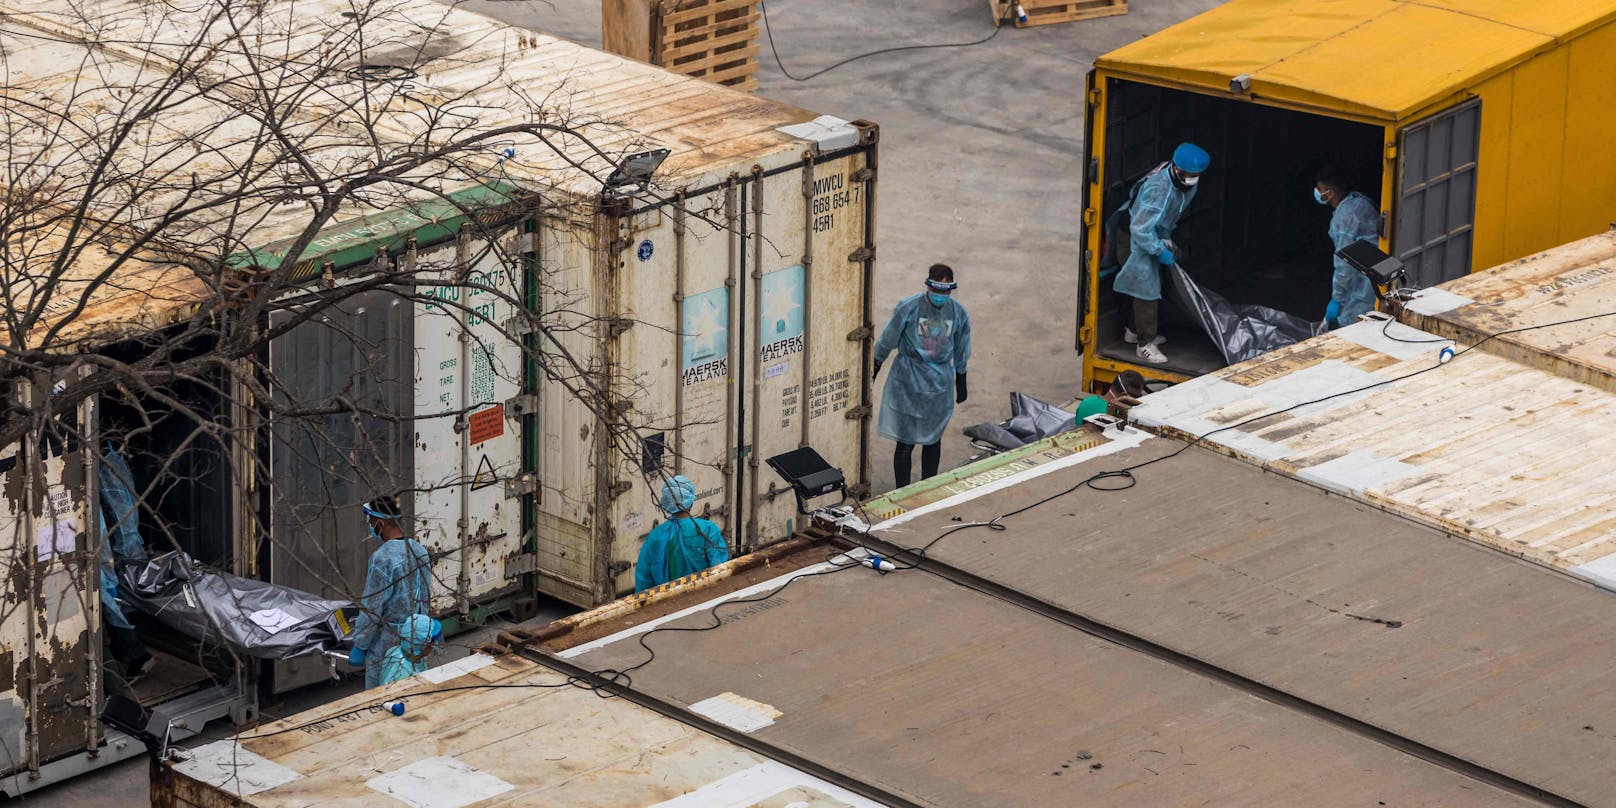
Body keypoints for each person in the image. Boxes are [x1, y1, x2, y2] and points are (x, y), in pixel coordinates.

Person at [873, 264, 973, 488]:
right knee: (905, 441)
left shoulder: (958, 314)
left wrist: (961, 377)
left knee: (933, 438)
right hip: (907, 380)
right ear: (928, 286)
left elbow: (962, 347)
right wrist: (876, 363)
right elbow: (888, 337)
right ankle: (902, 489)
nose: (940, 296)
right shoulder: (909, 307)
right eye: (937, 291)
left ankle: (928, 486)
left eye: (945, 291)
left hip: (938, 384)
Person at [1113, 143, 1210, 365]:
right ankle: (1145, 345)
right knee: (1146, 288)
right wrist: (1158, 248)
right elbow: (1140, 228)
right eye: (1191, 174)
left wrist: (1165, 238)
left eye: (1197, 175)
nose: (1194, 179)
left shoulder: (1185, 185)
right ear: (1178, 169)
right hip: (1135, 235)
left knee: (1146, 285)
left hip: (1153, 231)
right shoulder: (1158, 188)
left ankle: (1134, 331)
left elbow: (1170, 214)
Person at [347, 495, 431, 689]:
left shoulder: (382, 559)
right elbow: (425, 598)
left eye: (371, 523)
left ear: (380, 523)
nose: (370, 527)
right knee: (414, 690)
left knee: (381, 698)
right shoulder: (420, 551)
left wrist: (360, 644)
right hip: (416, 639)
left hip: (387, 643)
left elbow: (373, 607)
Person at [99, 447, 153, 679]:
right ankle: (132, 654)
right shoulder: (110, 464)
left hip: (109, 556)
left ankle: (135, 654)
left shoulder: (106, 466)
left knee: (108, 598)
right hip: (113, 553)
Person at [635, 475, 729, 592]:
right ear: (690, 501)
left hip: (666, 603)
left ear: (666, 503)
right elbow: (719, 570)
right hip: (704, 598)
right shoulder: (708, 529)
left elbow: (643, 579)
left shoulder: (655, 536)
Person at [1314, 166, 1380, 329]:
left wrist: (1337, 298)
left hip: (1364, 281)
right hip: (1376, 269)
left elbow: (1343, 264)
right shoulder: (1359, 201)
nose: (1316, 192)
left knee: (1356, 324)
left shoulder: (1344, 219)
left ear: (1330, 193)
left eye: (1320, 189)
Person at [377, 613, 442, 686]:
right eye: (433, 642)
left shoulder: (397, 651)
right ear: (424, 645)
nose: (434, 645)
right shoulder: (405, 675)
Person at [1073, 370, 1148, 426]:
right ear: (1124, 395)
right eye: (1137, 396)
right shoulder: (1118, 414)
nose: (1137, 399)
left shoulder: (1087, 401)